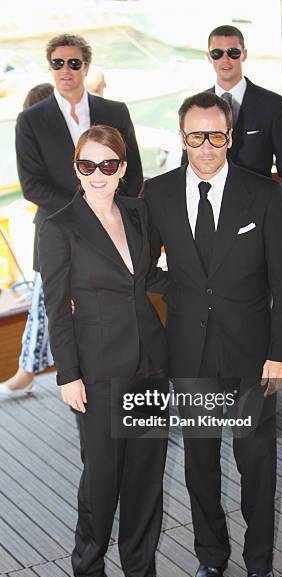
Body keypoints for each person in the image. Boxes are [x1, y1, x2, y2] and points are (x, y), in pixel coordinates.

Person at [144, 92, 282, 577]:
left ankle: (259, 563)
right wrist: (183, 291)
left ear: (229, 136)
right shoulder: (159, 193)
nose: (206, 146)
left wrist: (281, 353)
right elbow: (143, 266)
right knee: (200, 463)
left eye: (215, 135)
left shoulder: (263, 193)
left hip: (252, 353)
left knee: (256, 464)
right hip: (189, 350)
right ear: (182, 137)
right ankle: (210, 557)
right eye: (195, 135)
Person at [38, 125, 168, 577]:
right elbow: (57, 307)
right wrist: (68, 374)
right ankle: (88, 561)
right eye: (88, 165)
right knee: (102, 473)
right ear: (77, 169)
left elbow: (150, 276)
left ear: (122, 170)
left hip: (150, 361)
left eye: (107, 165)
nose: (98, 173)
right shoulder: (58, 227)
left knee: (146, 468)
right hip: (96, 371)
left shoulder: (137, 213)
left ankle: (139, 560)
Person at [0, 33, 143, 398]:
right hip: (59, 234)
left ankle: (132, 389)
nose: (66, 69)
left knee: (119, 311)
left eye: (74, 62)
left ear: (86, 66)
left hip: (116, 233)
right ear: (49, 67)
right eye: (58, 63)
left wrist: (108, 212)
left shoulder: (115, 112)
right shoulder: (30, 120)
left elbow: (134, 174)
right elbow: (33, 184)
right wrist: (85, 214)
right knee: (58, 310)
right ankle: (76, 389)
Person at [182, 24, 282, 225]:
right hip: (207, 218)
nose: (225, 60)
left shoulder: (272, 105)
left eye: (233, 52)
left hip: (259, 216)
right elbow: (186, 165)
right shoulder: (194, 107)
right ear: (209, 56)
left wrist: (281, 219)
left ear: (244, 54)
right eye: (217, 53)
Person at [0, 83, 55, 399]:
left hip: (58, 236)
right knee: (42, 302)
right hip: (51, 236)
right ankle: (26, 372)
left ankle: (26, 373)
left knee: (43, 303)